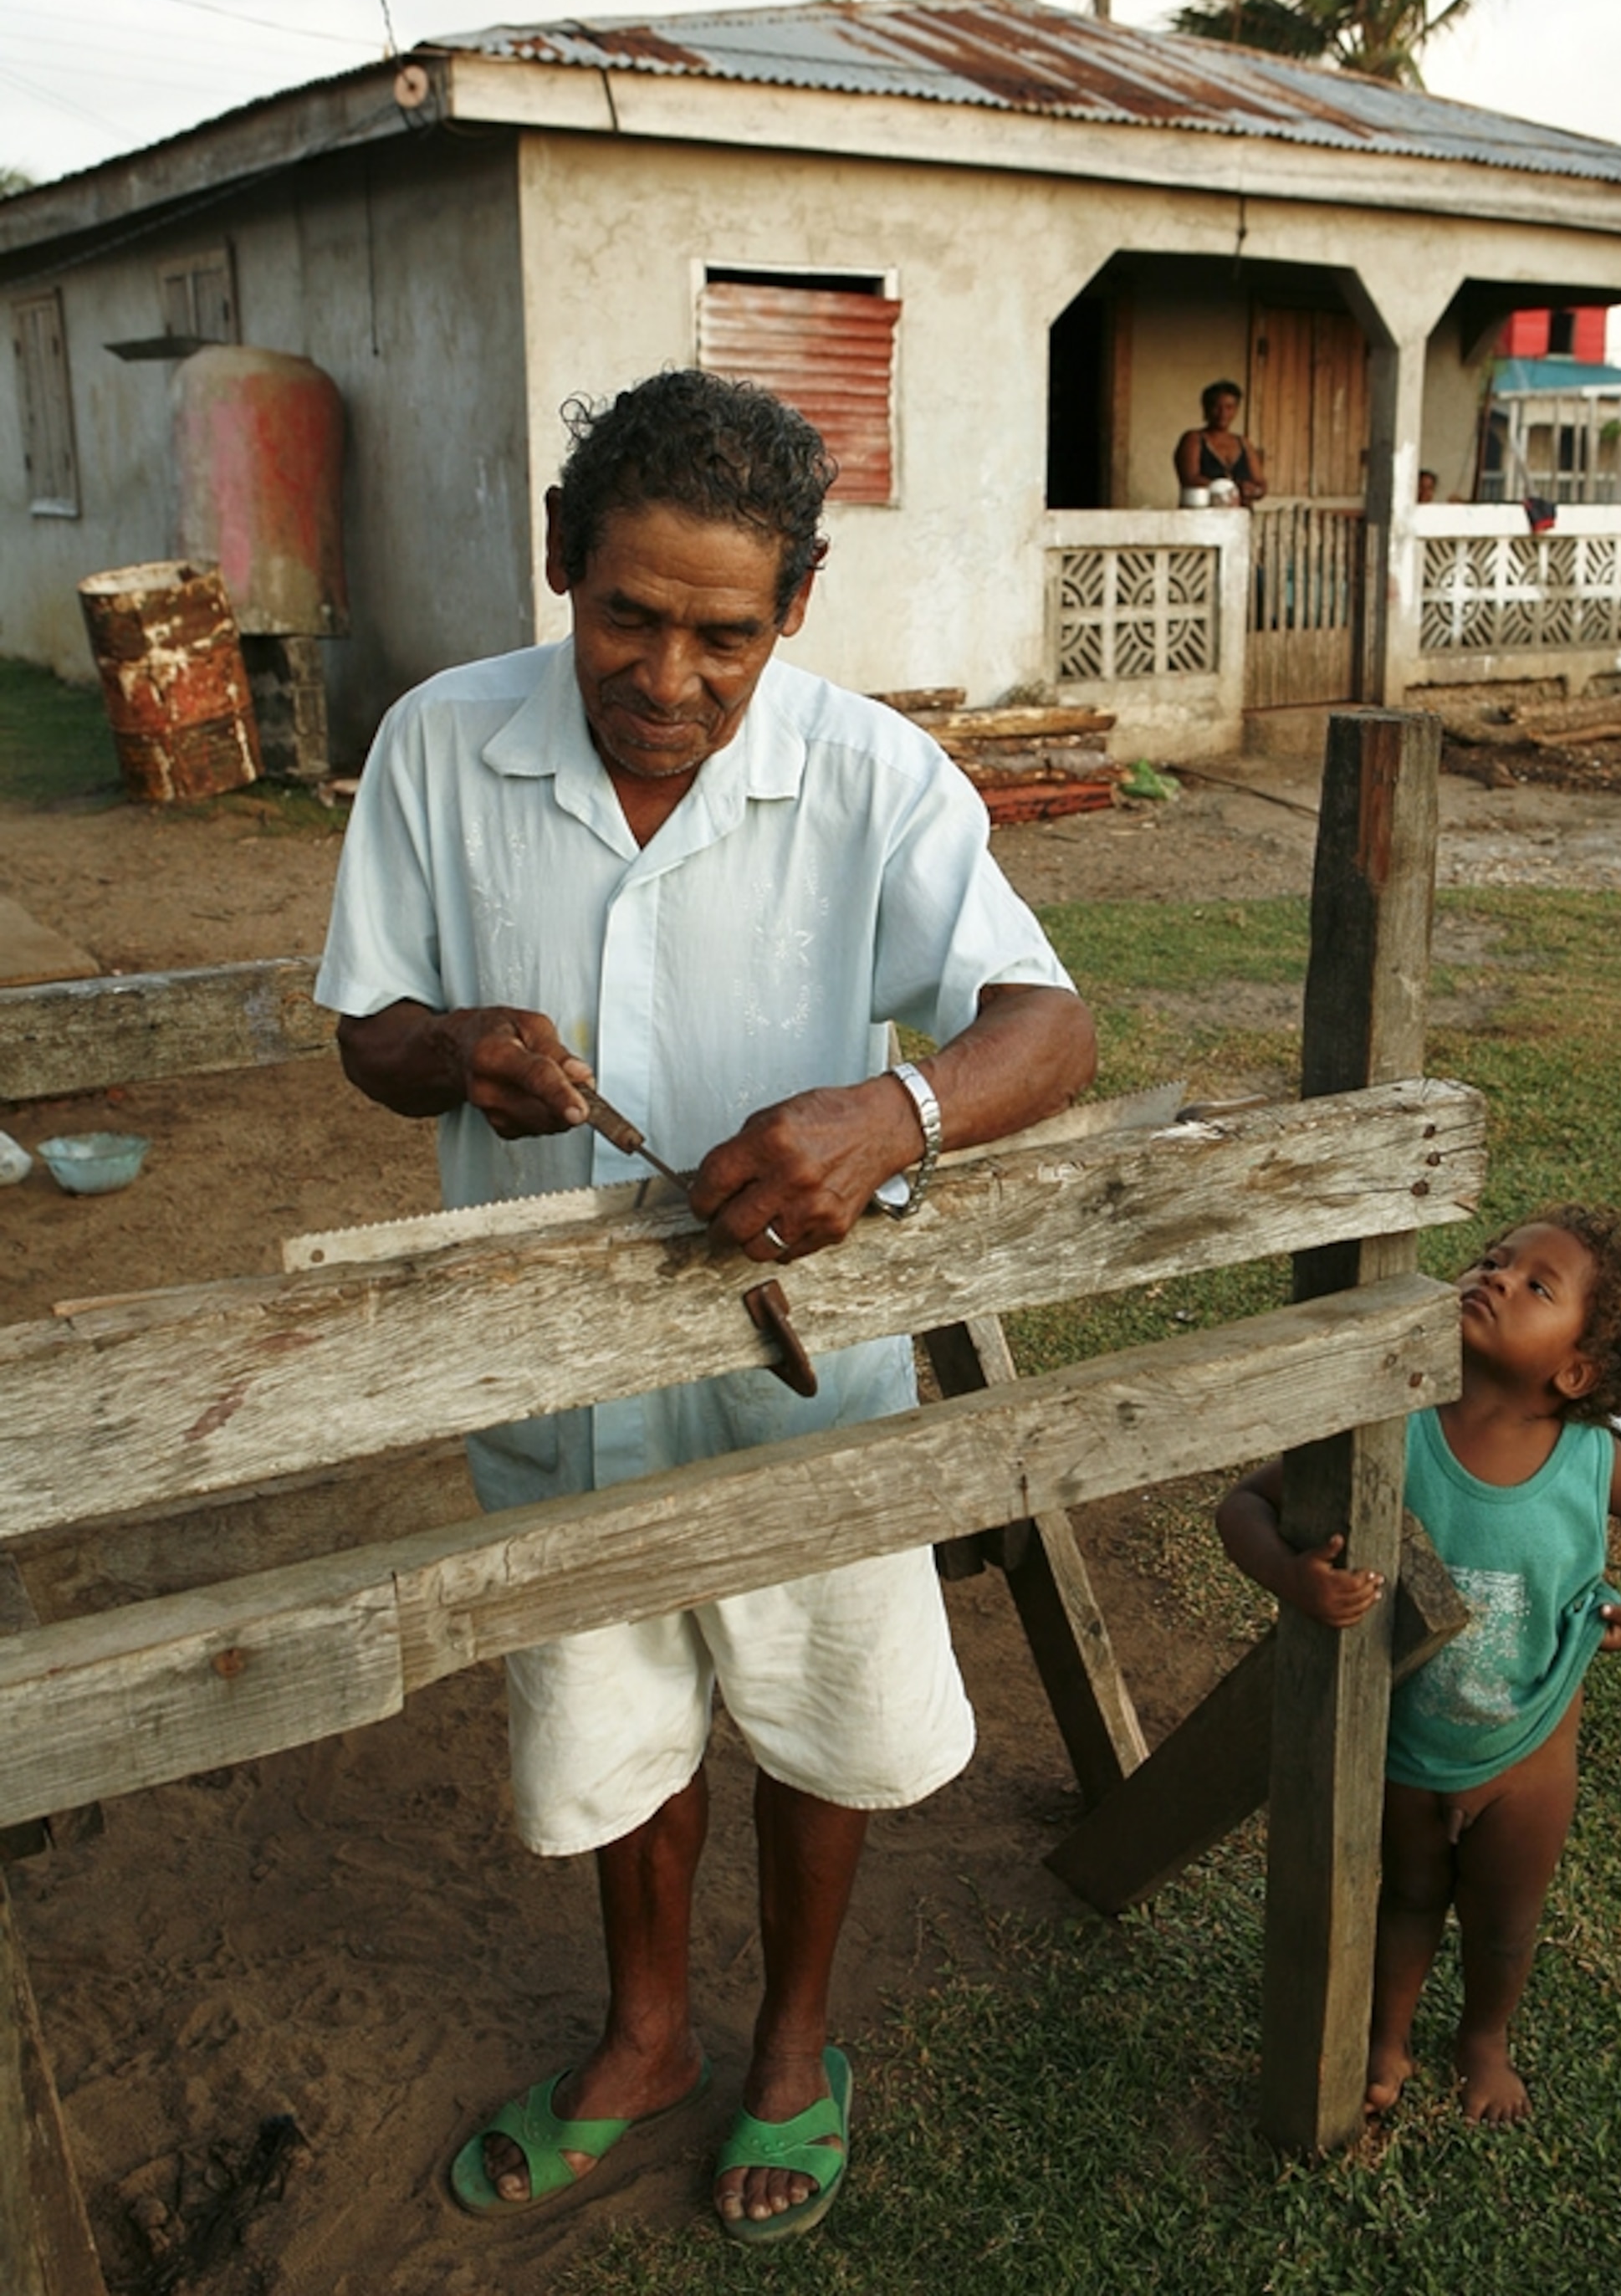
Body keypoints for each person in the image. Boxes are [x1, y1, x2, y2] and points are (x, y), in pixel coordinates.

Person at [316, 369, 1096, 2242]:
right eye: (628, 617)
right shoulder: (439, 743)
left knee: (818, 1713)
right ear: (561, 566)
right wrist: (454, 1050)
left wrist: (885, 1111)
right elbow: (370, 1030)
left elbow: (1047, 1026)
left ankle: (791, 2049)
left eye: (724, 633)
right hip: (560, 1378)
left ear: (796, 611)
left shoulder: (873, 776)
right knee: (611, 1714)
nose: (670, 674)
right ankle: (646, 2037)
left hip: (801, 1371)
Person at [1217, 1205, 1621, 2125]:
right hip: (1406, 1736)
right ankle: (1385, 2037)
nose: (1496, 1278)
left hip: (1529, 1750)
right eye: (1492, 1260)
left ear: (1576, 1369)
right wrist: (1293, 1580)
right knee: (1409, 1894)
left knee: (1503, 1922)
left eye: (1534, 1285)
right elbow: (1243, 1503)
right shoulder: (1393, 1426)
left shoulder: (1590, 1461)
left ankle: (1482, 2039)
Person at [1174, 380, 1267, 506]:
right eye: (1217, 406)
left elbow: (1261, 483)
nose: (1223, 413)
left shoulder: (1244, 443)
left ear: (1236, 410)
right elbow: (1190, 478)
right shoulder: (1193, 439)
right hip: (1202, 517)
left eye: (1229, 407)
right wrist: (1231, 490)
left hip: (1238, 519)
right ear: (1206, 408)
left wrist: (1254, 491)